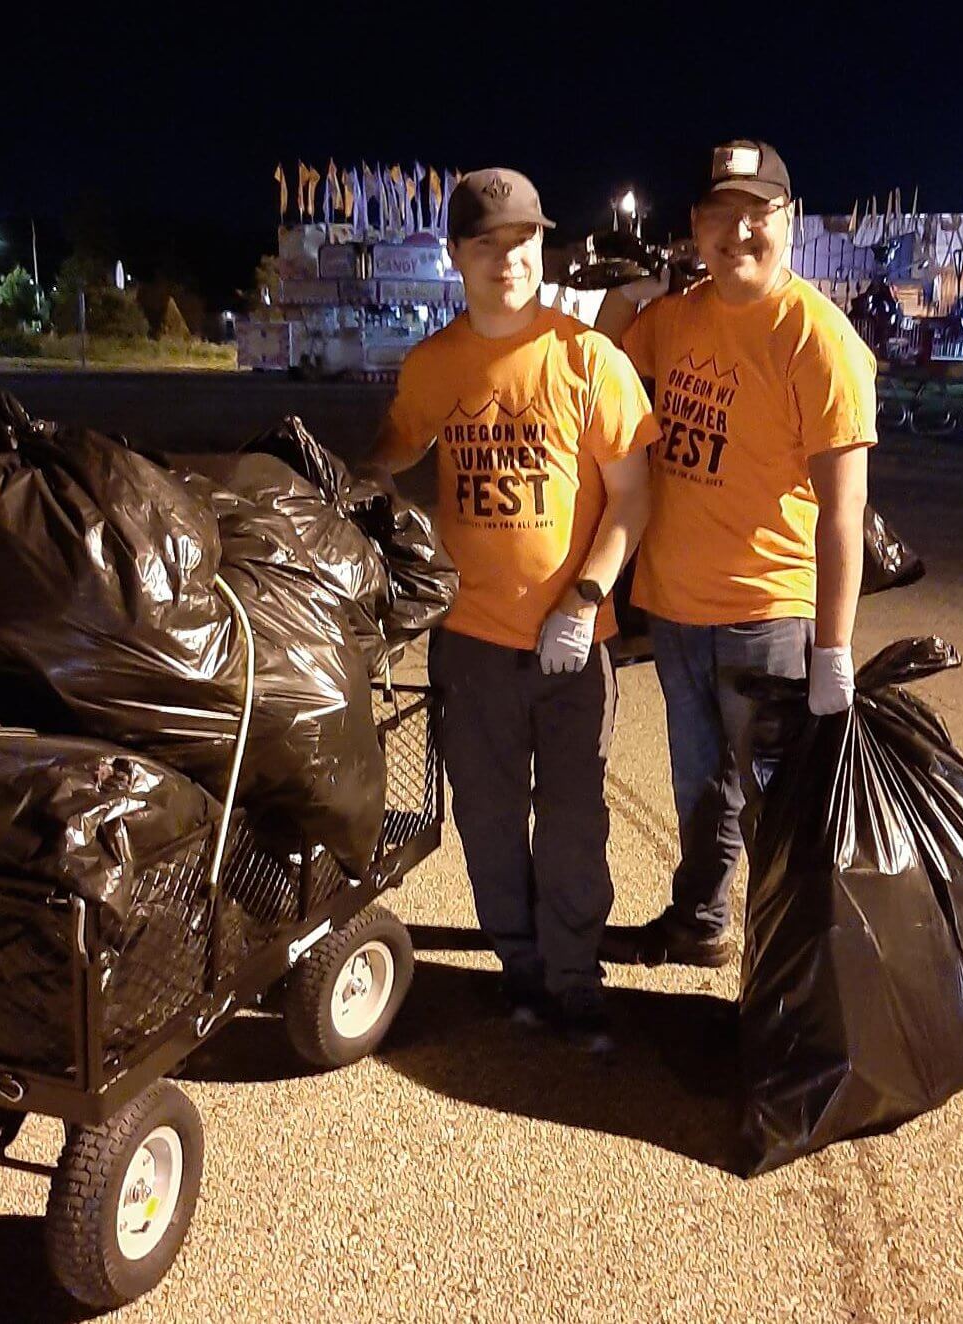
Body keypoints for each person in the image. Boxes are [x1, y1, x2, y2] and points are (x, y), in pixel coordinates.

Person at [368, 168, 656, 1047]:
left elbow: (633, 498)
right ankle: (522, 972)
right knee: (487, 821)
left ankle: (575, 981)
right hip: (472, 647)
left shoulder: (587, 359)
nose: (508, 259)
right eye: (487, 243)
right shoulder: (435, 365)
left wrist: (585, 597)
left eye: (523, 240)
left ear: (543, 246)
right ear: (457, 255)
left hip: (575, 647)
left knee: (573, 826)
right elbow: (388, 458)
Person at [594, 140, 877, 968]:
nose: (739, 233)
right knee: (699, 786)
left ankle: (787, 962)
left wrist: (833, 649)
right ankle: (703, 918)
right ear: (695, 227)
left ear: (786, 221)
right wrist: (632, 292)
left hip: (766, 613)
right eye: (721, 215)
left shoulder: (818, 339)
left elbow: (843, 512)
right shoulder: (679, 319)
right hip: (677, 611)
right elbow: (602, 365)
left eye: (757, 215)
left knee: (774, 802)